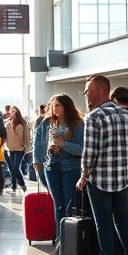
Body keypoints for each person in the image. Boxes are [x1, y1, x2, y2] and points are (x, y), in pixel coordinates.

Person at [76, 76, 128, 255]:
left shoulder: (93, 117)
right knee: (124, 221)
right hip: (123, 179)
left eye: (87, 91)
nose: (86, 95)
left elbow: (89, 153)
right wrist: (126, 163)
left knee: (103, 225)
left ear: (100, 90)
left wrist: (84, 176)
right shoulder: (126, 115)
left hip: (100, 181)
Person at [45, 94, 85, 242]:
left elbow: (82, 149)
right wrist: (51, 147)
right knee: (58, 204)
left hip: (70, 167)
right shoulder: (52, 123)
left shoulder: (77, 124)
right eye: (53, 106)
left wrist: (63, 144)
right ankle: (60, 236)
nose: (54, 109)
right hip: (52, 166)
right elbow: (47, 143)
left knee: (69, 204)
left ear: (66, 107)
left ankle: (68, 238)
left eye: (58, 106)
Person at [5, 106, 31, 193]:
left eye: (13, 111)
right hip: (11, 148)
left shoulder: (22, 123)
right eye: (10, 111)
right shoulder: (8, 123)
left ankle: (22, 183)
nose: (11, 113)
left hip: (20, 148)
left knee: (16, 167)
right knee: (12, 167)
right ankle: (14, 186)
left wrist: (27, 147)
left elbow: (26, 136)